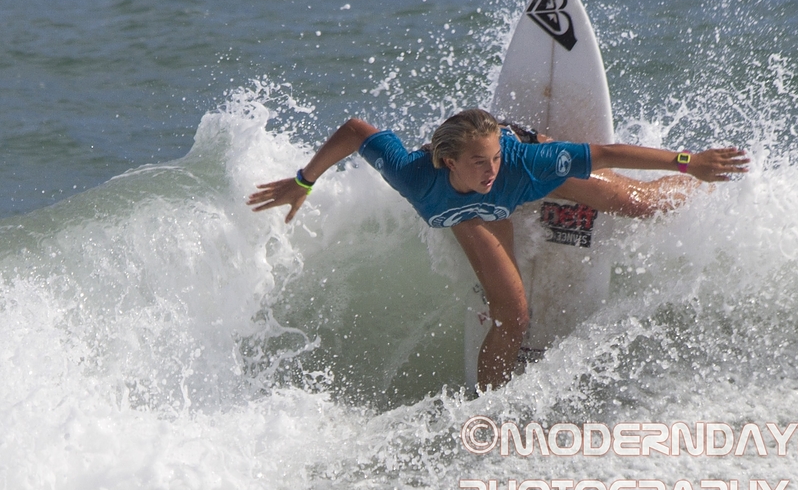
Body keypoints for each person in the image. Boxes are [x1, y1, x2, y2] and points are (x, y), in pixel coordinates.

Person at [249, 108, 748, 389]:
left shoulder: (523, 164)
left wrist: (691, 161)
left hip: (528, 168)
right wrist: (303, 181)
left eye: (492, 160)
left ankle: (707, 184)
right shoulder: (415, 177)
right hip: (474, 212)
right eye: (478, 163)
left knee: (640, 203)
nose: (489, 170)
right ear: (446, 161)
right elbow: (357, 130)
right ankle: (487, 412)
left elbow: (606, 152)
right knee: (512, 314)